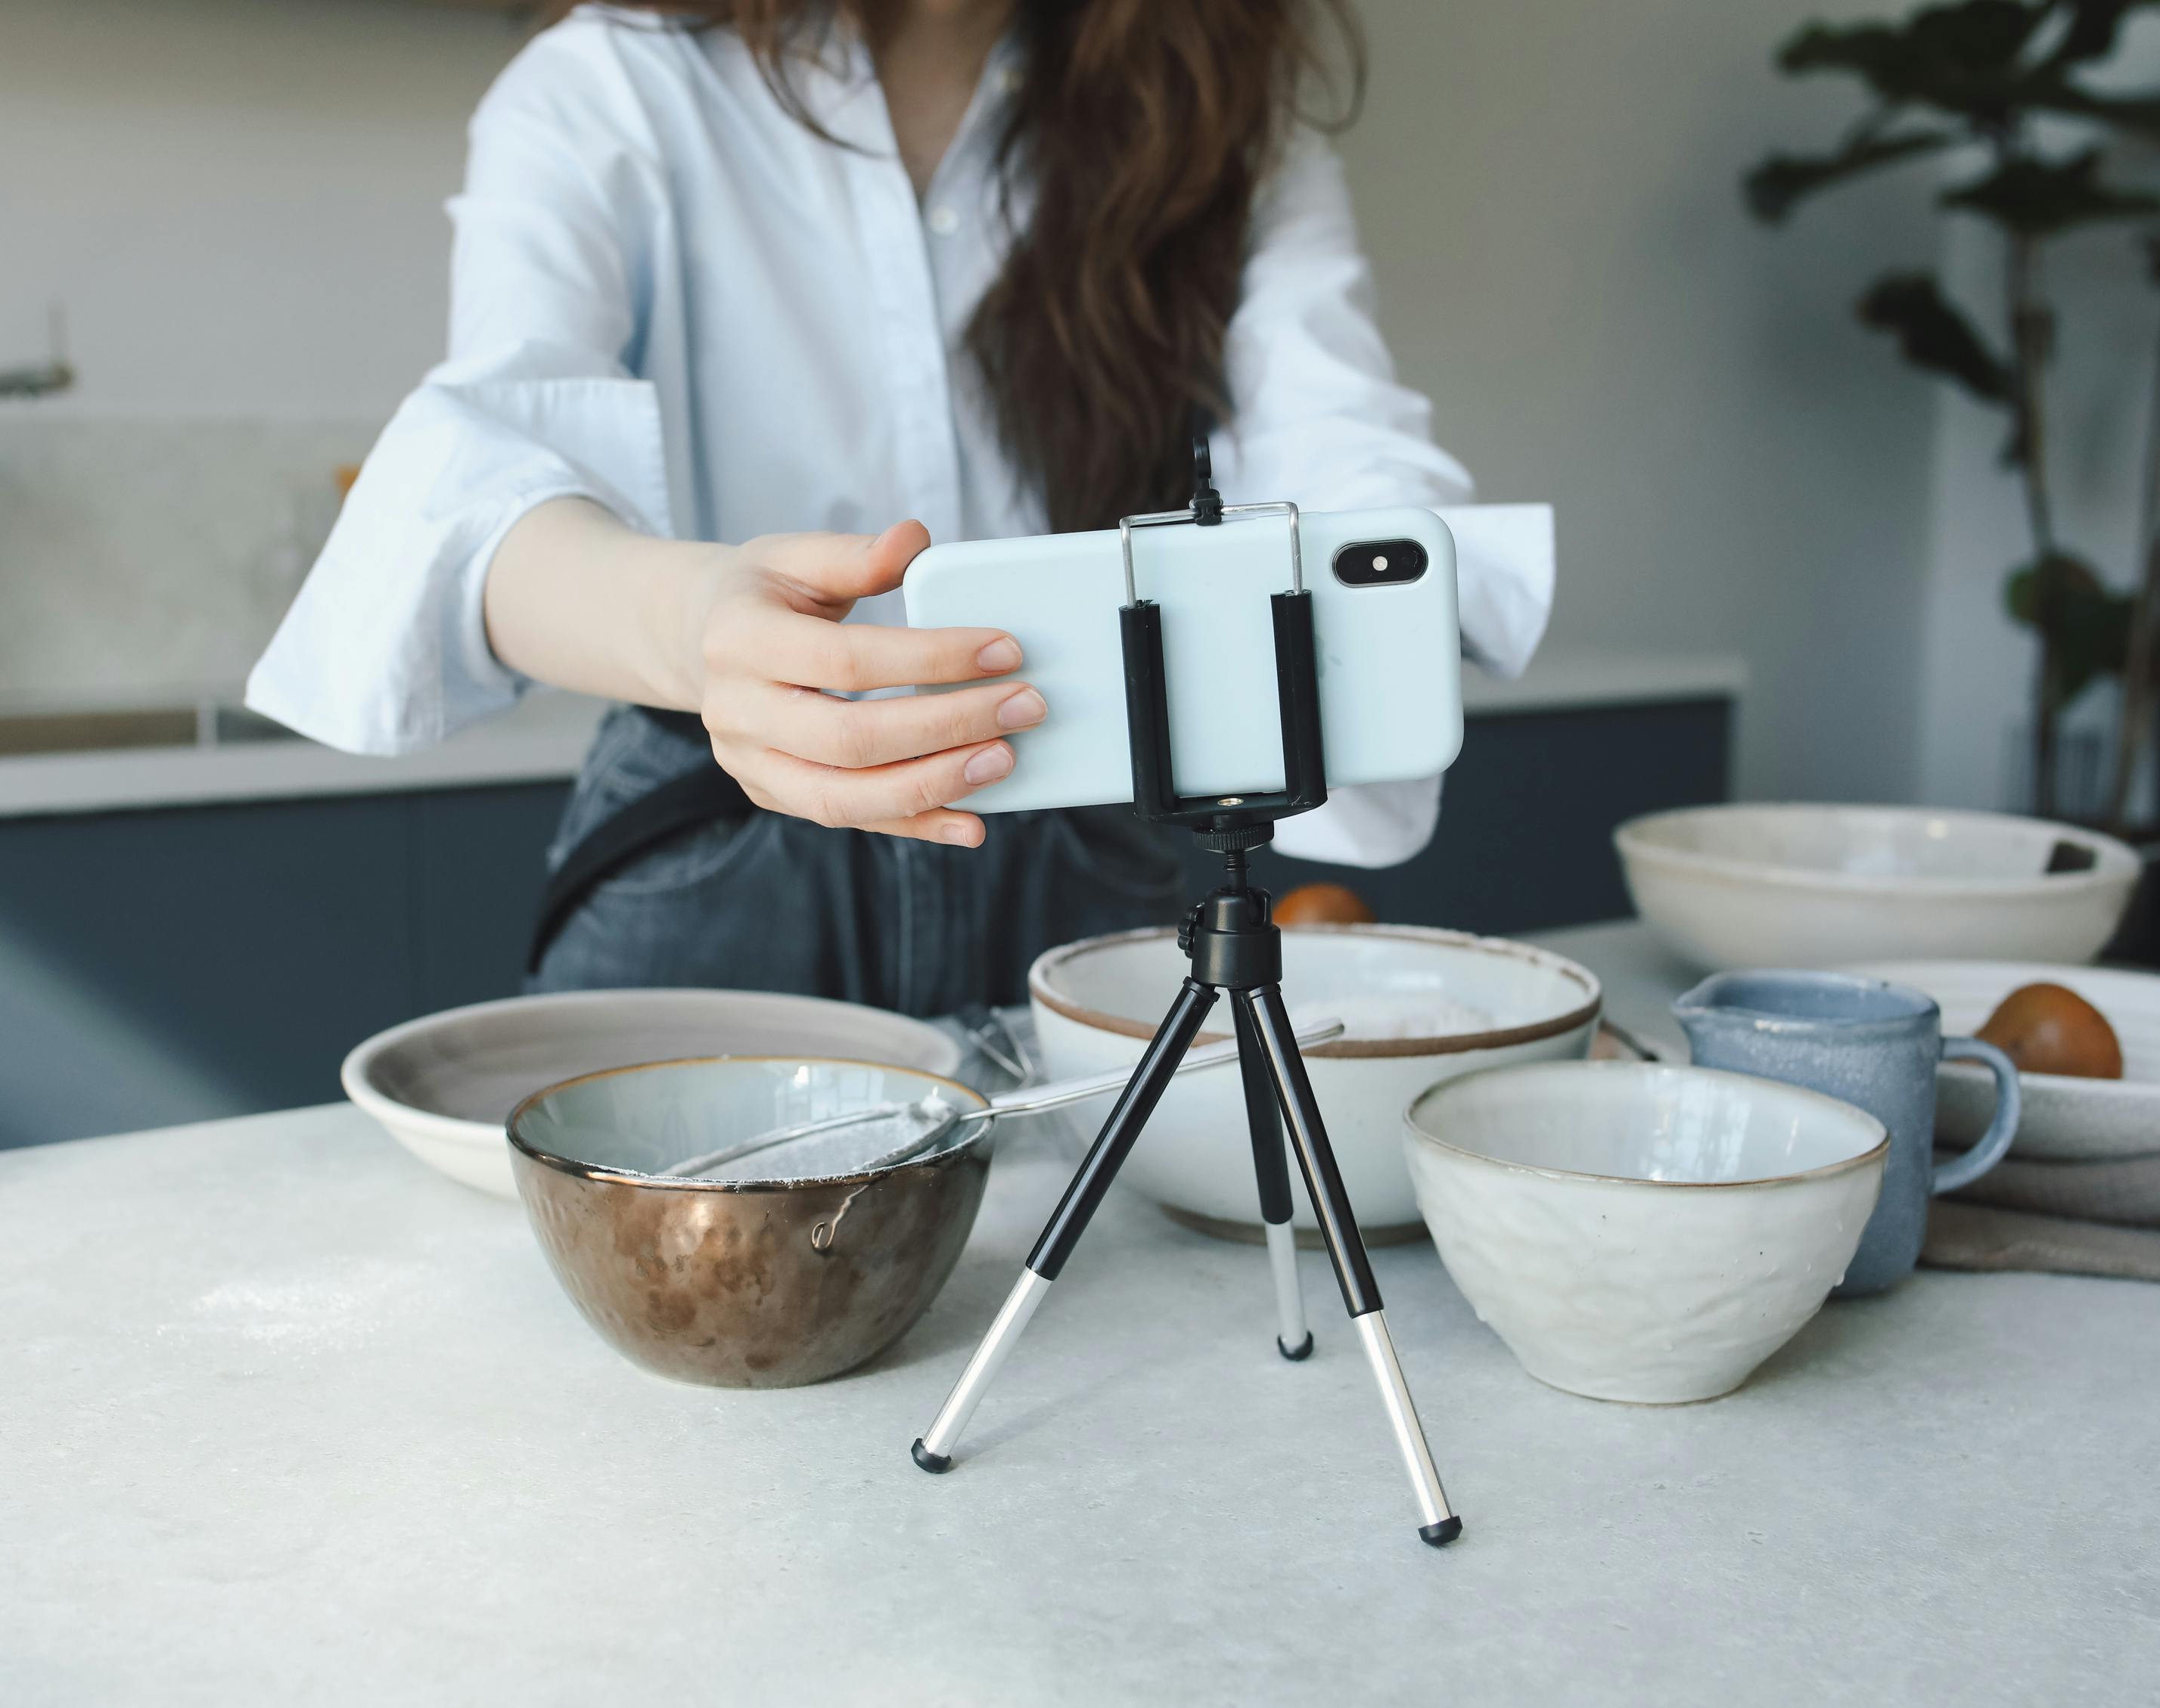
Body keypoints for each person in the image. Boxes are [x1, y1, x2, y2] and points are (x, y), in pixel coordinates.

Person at [247, 0, 1546, 1016]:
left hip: (1086, 846)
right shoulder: (611, 85)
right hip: (718, 847)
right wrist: (699, 620)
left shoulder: (1217, 119)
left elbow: (1348, 451)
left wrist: (1394, 594)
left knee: (1129, 1325)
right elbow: (483, 484)